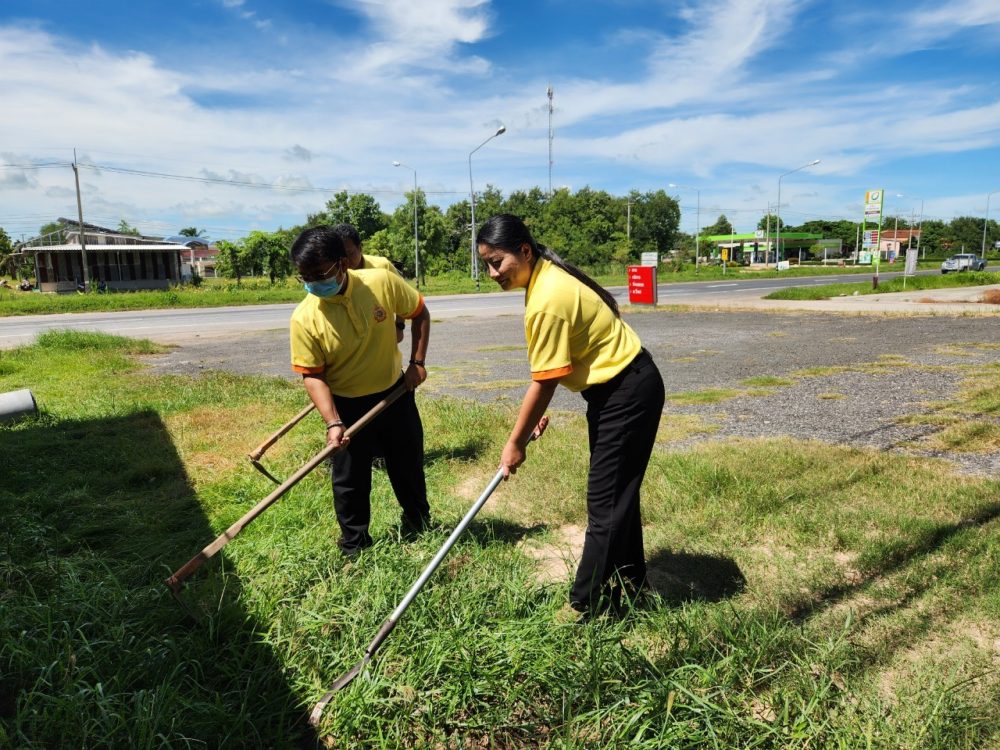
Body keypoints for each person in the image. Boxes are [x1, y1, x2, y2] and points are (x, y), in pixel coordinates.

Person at [476, 214, 665, 616]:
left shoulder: (547, 297)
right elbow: (559, 368)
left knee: (605, 503)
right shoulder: (544, 277)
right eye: (486, 265)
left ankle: (583, 605)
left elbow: (544, 382)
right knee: (617, 496)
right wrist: (530, 423)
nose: (493, 273)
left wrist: (515, 442)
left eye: (497, 262)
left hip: (626, 392)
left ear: (524, 251)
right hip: (620, 389)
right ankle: (633, 586)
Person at [289, 225, 432, 557]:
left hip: (395, 394)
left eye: (319, 274)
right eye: (305, 277)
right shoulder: (304, 318)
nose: (313, 284)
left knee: (407, 465)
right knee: (350, 480)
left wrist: (417, 362)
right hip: (347, 406)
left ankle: (419, 523)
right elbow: (313, 375)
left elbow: (419, 312)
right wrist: (333, 422)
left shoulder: (380, 282)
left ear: (342, 263)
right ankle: (354, 546)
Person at [332, 223, 406, 344]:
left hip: (383, 339)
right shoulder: (335, 273)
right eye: (340, 256)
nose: (345, 261)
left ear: (360, 248)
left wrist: (399, 326)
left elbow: (402, 296)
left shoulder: (382, 266)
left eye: (350, 254)